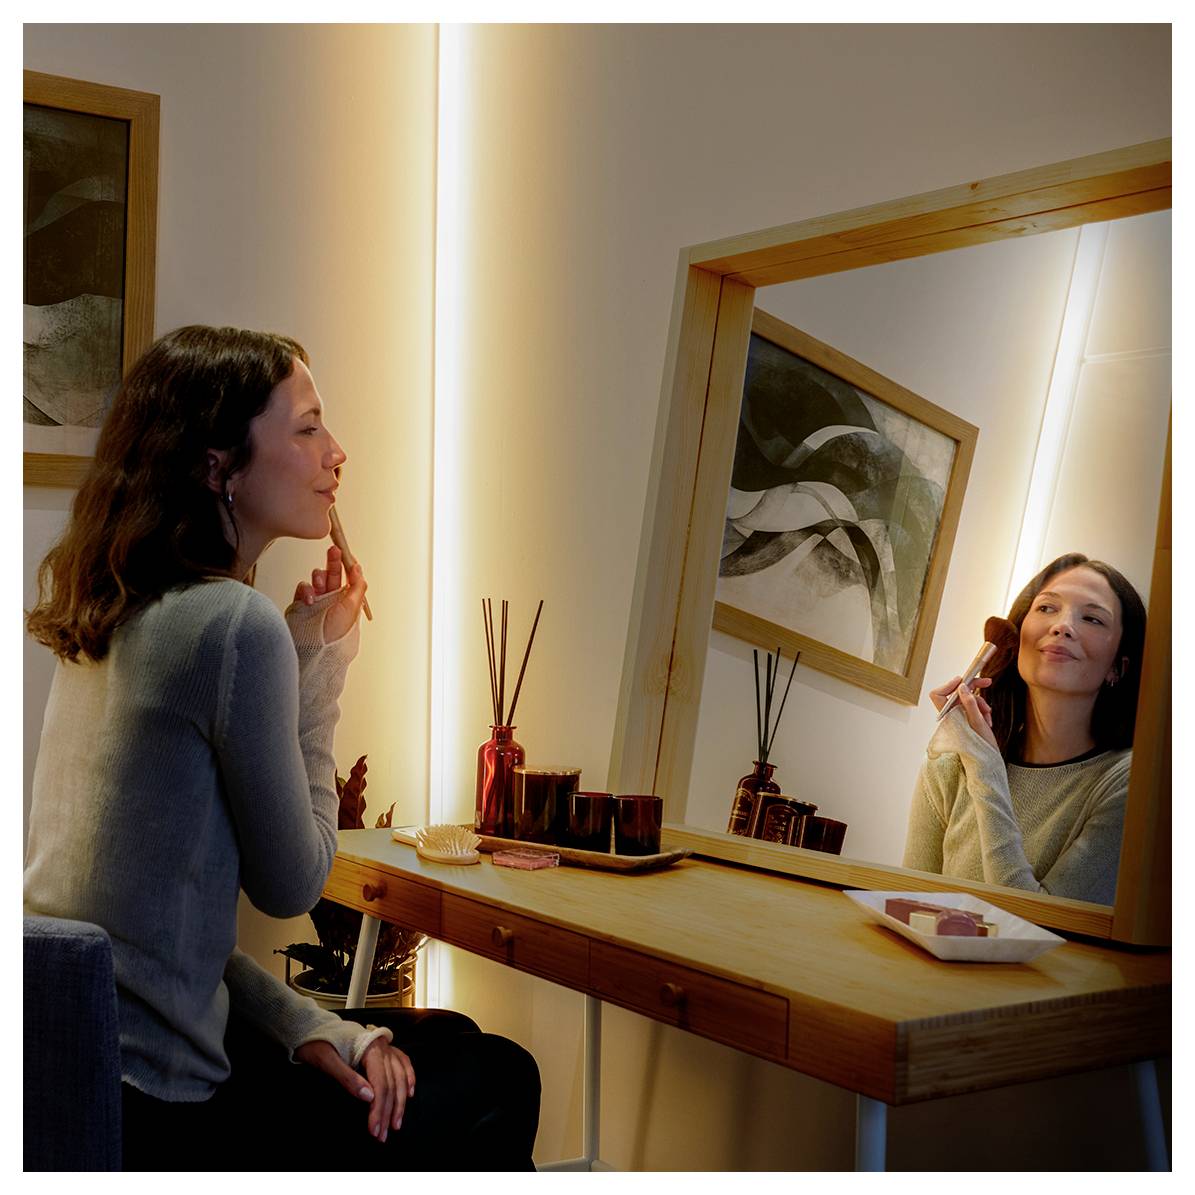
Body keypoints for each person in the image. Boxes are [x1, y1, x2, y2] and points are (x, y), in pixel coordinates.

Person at [24, 325, 540, 1171]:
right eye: (307, 428)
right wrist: (325, 665)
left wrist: (312, 1024)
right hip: (169, 1109)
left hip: (81, 1074)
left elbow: (158, 938)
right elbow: (293, 883)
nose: (337, 453)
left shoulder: (114, 615)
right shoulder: (232, 625)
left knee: (440, 1037)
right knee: (496, 1072)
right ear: (218, 465)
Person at [902, 553, 1146, 905]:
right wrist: (976, 759)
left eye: (1092, 618)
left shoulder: (1129, 784)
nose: (1062, 626)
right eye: (1047, 608)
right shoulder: (951, 767)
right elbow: (910, 906)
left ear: (1117, 668)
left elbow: (1036, 921)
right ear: (1016, 638)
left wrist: (986, 769)